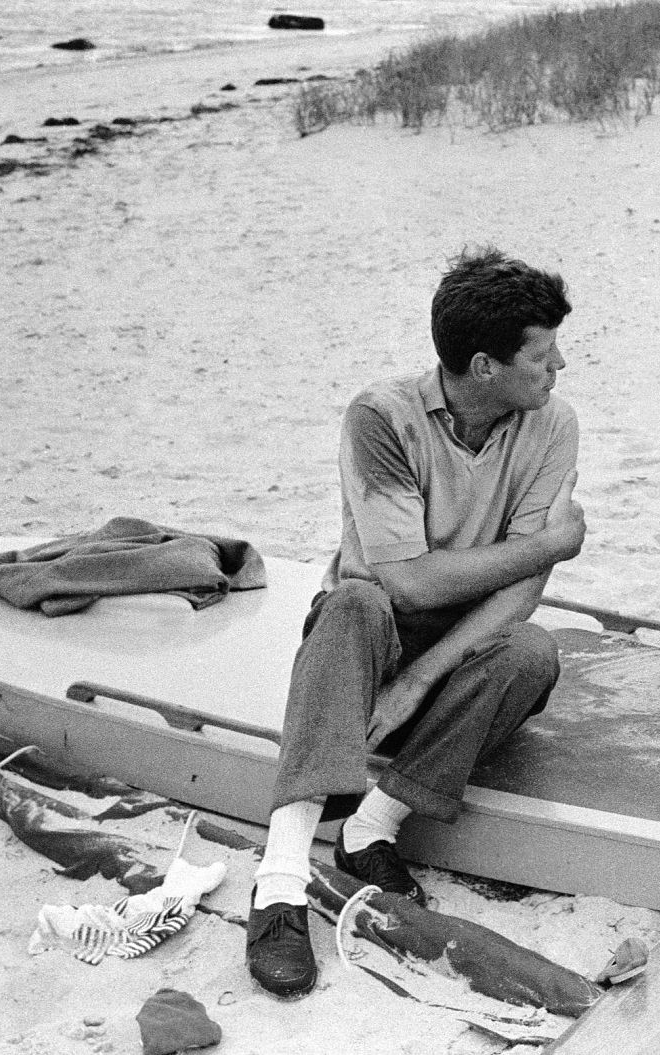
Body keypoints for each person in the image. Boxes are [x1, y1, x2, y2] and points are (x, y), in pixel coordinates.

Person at [246, 247, 585, 1000]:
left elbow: (522, 592)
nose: (559, 363)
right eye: (543, 351)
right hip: (368, 644)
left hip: (453, 670)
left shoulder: (551, 423)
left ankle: (372, 828)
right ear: (484, 365)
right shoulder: (381, 417)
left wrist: (420, 683)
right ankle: (279, 880)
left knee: (532, 650)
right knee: (355, 601)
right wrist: (550, 543)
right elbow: (407, 580)